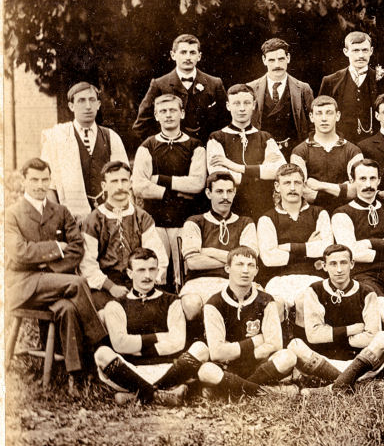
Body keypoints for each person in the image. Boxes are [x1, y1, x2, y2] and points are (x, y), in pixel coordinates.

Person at [6, 158, 106, 379]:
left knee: (67, 308)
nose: (40, 185)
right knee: (78, 283)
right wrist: (56, 247)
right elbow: (19, 252)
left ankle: (76, 373)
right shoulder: (12, 213)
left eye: (45, 180)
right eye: (34, 180)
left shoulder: (60, 211)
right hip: (24, 284)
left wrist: (49, 267)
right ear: (24, 181)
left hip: (55, 282)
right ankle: (101, 345)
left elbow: (77, 247)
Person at [92, 248, 209, 406]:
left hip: (169, 369)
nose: (147, 275)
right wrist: (159, 337)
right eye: (141, 270)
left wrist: (135, 346)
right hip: (132, 371)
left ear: (157, 271)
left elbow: (177, 343)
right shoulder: (116, 305)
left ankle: (139, 395)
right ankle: (158, 394)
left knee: (201, 348)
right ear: (130, 273)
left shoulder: (172, 302)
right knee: (101, 354)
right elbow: (120, 345)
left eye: (152, 269)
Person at [290, 244, 384, 392]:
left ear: (352, 264)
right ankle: (350, 381)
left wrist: (331, 334)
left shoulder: (366, 292)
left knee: (383, 338)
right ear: (324, 266)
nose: (339, 269)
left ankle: (330, 387)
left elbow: (371, 336)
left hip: (360, 361)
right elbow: (314, 336)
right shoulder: (315, 290)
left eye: (343, 263)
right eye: (333, 264)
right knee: (294, 345)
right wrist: (352, 330)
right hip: (325, 361)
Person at [196, 247, 298, 397]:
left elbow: (275, 344)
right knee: (205, 371)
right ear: (227, 268)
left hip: (257, 364)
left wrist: (237, 353)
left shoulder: (266, 300)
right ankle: (268, 391)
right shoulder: (214, 303)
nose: (245, 270)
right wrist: (256, 340)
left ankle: (231, 389)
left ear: (256, 270)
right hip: (227, 366)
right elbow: (217, 353)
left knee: (288, 357)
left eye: (250, 265)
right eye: (239, 264)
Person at [131, 93, 207, 286]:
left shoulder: (195, 146)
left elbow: (197, 183)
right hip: (155, 220)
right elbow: (139, 186)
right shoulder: (147, 146)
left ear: (182, 113)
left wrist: (159, 179)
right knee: (158, 273)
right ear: (156, 116)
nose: (168, 115)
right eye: (163, 111)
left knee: (183, 274)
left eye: (173, 110)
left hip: (185, 220)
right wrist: (172, 193)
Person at [81, 161, 168, 315]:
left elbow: (157, 255)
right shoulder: (93, 220)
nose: (120, 186)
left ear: (130, 183)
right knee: (106, 313)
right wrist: (110, 287)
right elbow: (87, 264)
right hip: (106, 285)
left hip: (140, 279)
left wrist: (144, 282)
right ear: (104, 186)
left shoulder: (142, 217)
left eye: (124, 180)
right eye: (114, 181)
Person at [331, 159, 384, 314]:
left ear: (379, 180)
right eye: (362, 179)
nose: (368, 184)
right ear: (352, 181)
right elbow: (351, 252)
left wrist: (368, 243)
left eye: (372, 178)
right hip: (362, 276)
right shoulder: (342, 214)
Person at [257, 164, 333, 326]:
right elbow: (269, 258)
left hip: (312, 277)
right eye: (287, 183)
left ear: (303, 186)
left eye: (297, 183)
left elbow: (326, 249)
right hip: (278, 279)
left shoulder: (319, 213)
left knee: (305, 303)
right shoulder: (267, 219)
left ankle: (303, 340)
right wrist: (307, 248)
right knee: (274, 307)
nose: (292, 188)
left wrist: (285, 247)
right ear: (277, 186)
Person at [40, 82, 129, 218]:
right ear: (71, 106)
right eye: (81, 101)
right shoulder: (56, 138)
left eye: (92, 100)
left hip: (108, 216)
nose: (88, 106)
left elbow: (125, 181)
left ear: (98, 104)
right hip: (71, 218)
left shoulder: (111, 137)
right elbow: (49, 185)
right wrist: (59, 218)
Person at [206, 83, 287, 219]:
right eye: (236, 103)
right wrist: (261, 171)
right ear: (228, 106)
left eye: (247, 103)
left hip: (262, 206)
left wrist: (233, 166)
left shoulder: (265, 137)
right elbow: (220, 177)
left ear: (253, 105)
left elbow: (281, 171)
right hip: (231, 208)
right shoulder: (216, 138)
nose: (242, 108)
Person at [179, 171, 259, 307]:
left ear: (234, 193)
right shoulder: (194, 222)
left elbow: (248, 260)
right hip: (199, 282)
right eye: (219, 191)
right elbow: (193, 262)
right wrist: (234, 261)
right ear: (208, 193)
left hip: (235, 281)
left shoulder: (246, 223)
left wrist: (208, 251)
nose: (225, 197)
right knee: (191, 304)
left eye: (229, 191)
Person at [133, 33, 228, 142]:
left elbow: (226, 120)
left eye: (192, 52)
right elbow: (142, 125)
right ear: (173, 55)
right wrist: (161, 145)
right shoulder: (159, 84)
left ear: (199, 56)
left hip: (207, 147)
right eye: (183, 52)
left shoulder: (214, 83)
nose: (188, 57)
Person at [319, 31, 384, 142]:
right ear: (346, 52)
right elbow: (320, 116)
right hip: (341, 144)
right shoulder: (331, 81)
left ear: (371, 51)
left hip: (375, 145)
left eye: (365, 50)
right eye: (356, 50)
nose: (361, 55)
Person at [290, 95, 362, 213]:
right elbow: (301, 191)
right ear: (311, 117)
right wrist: (342, 190)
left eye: (329, 113)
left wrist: (320, 185)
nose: (324, 119)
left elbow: (356, 190)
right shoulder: (299, 152)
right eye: (319, 113)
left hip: (345, 214)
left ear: (337, 116)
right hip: (312, 215)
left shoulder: (353, 151)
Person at [247, 38, 314, 156]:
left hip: (294, 153)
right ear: (264, 60)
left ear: (288, 58)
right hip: (261, 153)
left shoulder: (303, 89)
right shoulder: (250, 88)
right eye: (271, 60)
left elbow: (313, 125)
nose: (277, 65)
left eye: (281, 59)